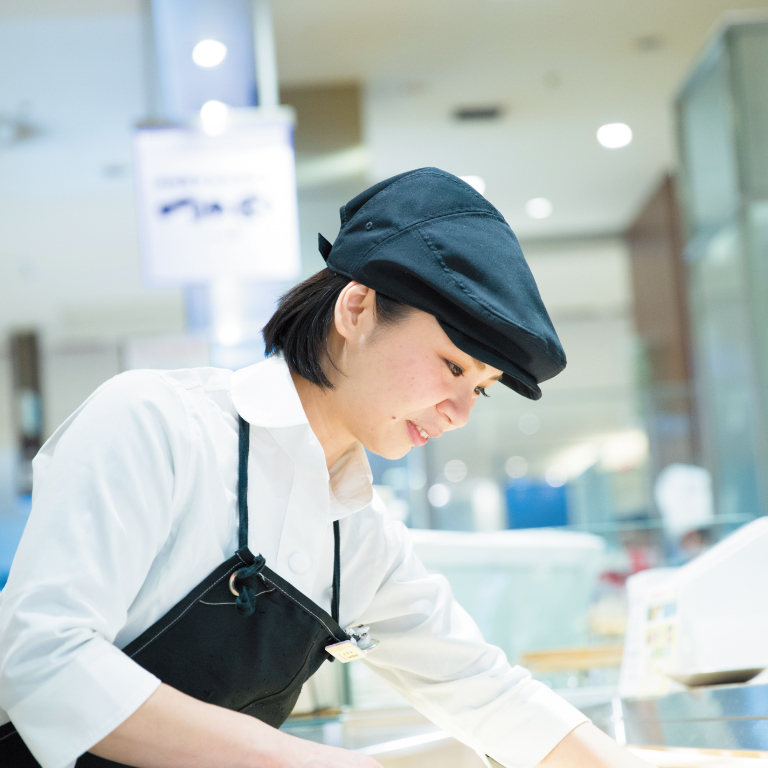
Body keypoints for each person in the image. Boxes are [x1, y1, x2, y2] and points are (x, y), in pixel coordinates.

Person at [0, 168, 650, 768]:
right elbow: (42, 658)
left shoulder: (360, 537)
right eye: (453, 366)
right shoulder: (157, 424)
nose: (458, 412)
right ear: (357, 308)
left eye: (479, 388)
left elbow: (482, 690)